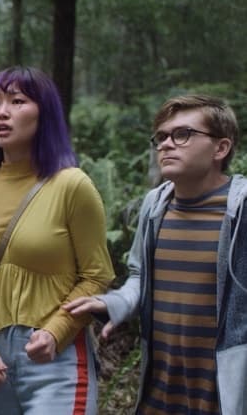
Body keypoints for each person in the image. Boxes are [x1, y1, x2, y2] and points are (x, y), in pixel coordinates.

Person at [64, 94, 247, 414]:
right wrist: (114, 304)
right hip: (161, 391)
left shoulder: (240, 209)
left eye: (182, 134)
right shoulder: (155, 206)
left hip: (222, 394)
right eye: (161, 137)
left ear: (221, 148)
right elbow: (140, 276)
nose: (166, 144)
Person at [0, 66, 115, 415]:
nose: (2, 112)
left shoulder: (71, 185)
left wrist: (57, 331)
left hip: (57, 358)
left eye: (17, 101)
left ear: (45, 113)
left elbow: (97, 275)